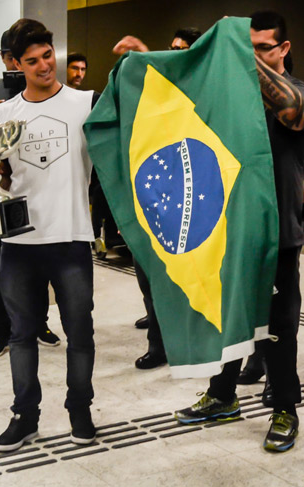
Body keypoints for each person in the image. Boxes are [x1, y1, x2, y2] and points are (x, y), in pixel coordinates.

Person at [174, 10, 303, 453]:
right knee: (227, 318)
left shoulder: (296, 93)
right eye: (247, 49)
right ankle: (224, 394)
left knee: (280, 327)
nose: (253, 58)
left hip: (279, 233)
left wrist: (247, 61)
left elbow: (291, 111)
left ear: (284, 49)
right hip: (230, 230)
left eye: (263, 48)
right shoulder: (233, 101)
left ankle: (285, 407)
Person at [0, 18, 98, 453]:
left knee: (80, 332)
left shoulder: (85, 102)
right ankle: (25, 416)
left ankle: (80, 410)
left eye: (47, 55)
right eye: (31, 60)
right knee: (21, 335)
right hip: (18, 243)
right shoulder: (2, 114)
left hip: (71, 237)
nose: (43, 66)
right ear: (16, 64)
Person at [0, 29, 61, 356]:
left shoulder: (53, 92)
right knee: (3, 267)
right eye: (14, 56)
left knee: (44, 264)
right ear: (7, 58)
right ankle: (2, 328)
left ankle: (40, 322)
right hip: (4, 198)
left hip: (44, 195)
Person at [112, 26, 202, 371]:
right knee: (148, 274)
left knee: (189, 276)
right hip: (155, 196)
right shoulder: (158, 90)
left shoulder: (202, 91)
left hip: (194, 199)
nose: (174, 53)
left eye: (182, 49)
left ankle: (190, 340)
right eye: (172, 47)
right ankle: (159, 342)